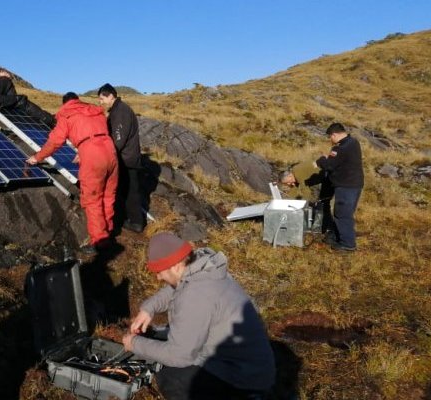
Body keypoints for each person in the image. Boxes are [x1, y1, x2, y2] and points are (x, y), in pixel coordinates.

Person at [122, 232, 275, 399]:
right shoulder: (204, 268)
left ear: (176, 266)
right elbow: (177, 287)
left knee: (171, 377)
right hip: (252, 368)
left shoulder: (195, 296)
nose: (158, 277)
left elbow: (179, 356)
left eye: (160, 271)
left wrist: (135, 344)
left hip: (244, 380)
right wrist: (148, 308)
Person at [26, 92, 118, 254]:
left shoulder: (67, 115)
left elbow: (55, 142)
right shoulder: (94, 110)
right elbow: (94, 133)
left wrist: (37, 157)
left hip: (92, 155)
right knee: (109, 195)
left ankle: (100, 241)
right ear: (77, 100)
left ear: (64, 104)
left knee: (92, 199)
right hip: (110, 150)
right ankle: (108, 230)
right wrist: (82, 150)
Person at [98, 83, 144, 233]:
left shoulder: (120, 111)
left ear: (111, 96)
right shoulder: (118, 110)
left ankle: (136, 222)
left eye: (102, 98)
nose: (100, 102)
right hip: (127, 158)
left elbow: (119, 138)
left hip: (126, 159)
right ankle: (131, 219)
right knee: (126, 191)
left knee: (130, 192)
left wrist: (107, 157)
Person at [316, 123, 363, 251]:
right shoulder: (353, 142)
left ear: (334, 135)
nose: (330, 140)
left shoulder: (339, 149)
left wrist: (321, 159)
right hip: (355, 185)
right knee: (347, 213)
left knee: (342, 214)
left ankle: (347, 245)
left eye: (330, 137)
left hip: (345, 186)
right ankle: (337, 235)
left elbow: (329, 166)